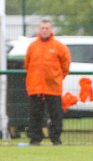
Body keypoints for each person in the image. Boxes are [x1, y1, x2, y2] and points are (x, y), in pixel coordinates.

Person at [25, 18, 71, 146]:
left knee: (56, 114)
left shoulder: (59, 47)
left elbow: (65, 66)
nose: (44, 30)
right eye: (42, 28)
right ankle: (35, 139)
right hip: (35, 87)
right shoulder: (32, 47)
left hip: (53, 87)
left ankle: (56, 139)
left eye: (47, 28)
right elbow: (27, 64)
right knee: (35, 114)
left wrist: (56, 78)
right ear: (39, 30)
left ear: (51, 30)